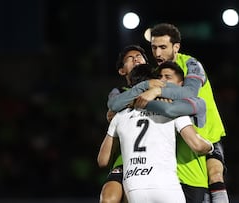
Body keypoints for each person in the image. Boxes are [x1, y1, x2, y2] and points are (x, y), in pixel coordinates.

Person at [108, 23, 229, 203]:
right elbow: (119, 102)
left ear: (176, 47)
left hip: (207, 135)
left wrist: (156, 91)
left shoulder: (191, 64)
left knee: (215, 175)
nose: (157, 54)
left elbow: (189, 93)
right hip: (179, 138)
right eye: (154, 47)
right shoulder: (156, 73)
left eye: (163, 47)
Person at [98, 64, 214, 203]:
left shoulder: (120, 115)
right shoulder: (171, 107)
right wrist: (211, 147)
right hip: (166, 186)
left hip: (135, 187)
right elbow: (197, 145)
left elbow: (103, 160)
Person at [100, 45, 149, 203]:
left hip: (153, 159)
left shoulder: (159, 85)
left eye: (139, 56)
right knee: (108, 199)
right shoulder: (118, 92)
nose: (135, 58)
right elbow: (114, 104)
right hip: (124, 159)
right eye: (130, 58)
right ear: (122, 71)